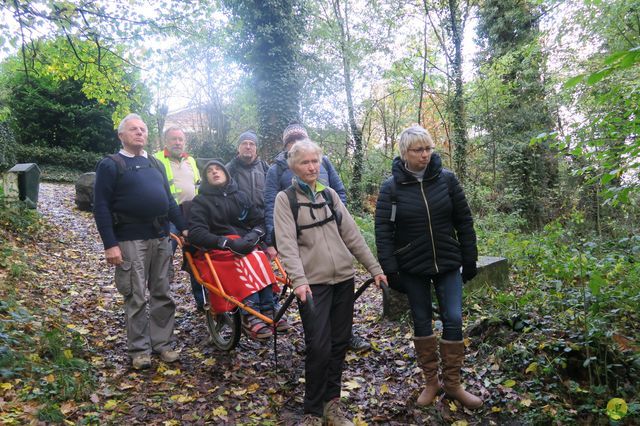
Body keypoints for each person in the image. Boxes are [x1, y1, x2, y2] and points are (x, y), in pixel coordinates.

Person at [274, 139, 387, 426]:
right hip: (312, 285)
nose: (311, 167)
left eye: (315, 161)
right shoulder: (285, 200)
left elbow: (352, 236)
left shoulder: (330, 196)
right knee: (319, 347)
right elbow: (286, 244)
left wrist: (374, 268)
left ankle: (331, 406)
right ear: (293, 167)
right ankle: (312, 412)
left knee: (338, 344)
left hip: (344, 280)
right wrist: (298, 281)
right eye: (305, 162)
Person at [374, 125, 483, 409]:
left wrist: (469, 257)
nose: (424, 155)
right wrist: (391, 269)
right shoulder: (392, 188)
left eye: (428, 149)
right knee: (421, 322)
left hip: (448, 262)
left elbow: (464, 220)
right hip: (412, 266)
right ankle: (431, 382)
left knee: (454, 318)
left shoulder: (447, 180)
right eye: (418, 150)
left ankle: (454, 383)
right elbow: (383, 232)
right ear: (404, 153)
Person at [264, 123, 371, 353]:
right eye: (293, 141)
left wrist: (336, 214)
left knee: (339, 318)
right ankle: (316, 341)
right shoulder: (277, 173)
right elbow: (271, 204)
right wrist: (272, 240)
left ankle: (343, 337)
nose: (311, 166)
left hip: (332, 240)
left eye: (302, 139)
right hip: (304, 246)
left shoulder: (326, 171)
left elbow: (338, 190)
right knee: (317, 325)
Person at [93, 113, 186, 370]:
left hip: (160, 238)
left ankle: (163, 344)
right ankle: (139, 350)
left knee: (162, 293)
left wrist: (184, 228)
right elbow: (100, 206)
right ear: (121, 135)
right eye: (133, 129)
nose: (139, 133)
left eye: (143, 129)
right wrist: (110, 244)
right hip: (129, 240)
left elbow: (169, 202)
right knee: (135, 295)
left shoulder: (155, 164)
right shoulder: (111, 165)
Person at [188, 160, 286, 339]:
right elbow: (196, 233)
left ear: (226, 173)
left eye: (218, 169)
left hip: (245, 243)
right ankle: (250, 314)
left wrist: (253, 236)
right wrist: (226, 242)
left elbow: (258, 220)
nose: (215, 172)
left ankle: (269, 307)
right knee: (245, 259)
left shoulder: (241, 196)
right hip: (217, 249)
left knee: (258, 256)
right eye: (210, 171)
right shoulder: (200, 202)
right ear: (205, 178)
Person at [153, 127, 203, 311]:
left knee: (198, 259)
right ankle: (159, 304)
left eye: (180, 139)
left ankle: (202, 303)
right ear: (165, 141)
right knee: (164, 257)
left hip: (192, 215)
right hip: (168, 217)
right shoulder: (156, 160)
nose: (178, 142)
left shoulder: (191, 160)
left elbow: (197, 187)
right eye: (173, 139)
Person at [226, 130, 270, 211]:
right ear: (238, 148)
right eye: (244, 143)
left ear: (256, 148)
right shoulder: (229, 169)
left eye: (252, 144)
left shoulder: (265, 168)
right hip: (238, 219)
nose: (248, 147)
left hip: (262, 219)